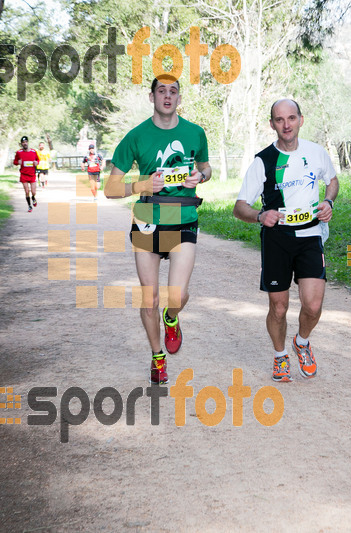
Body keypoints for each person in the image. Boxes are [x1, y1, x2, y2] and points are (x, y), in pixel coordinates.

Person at [105, 77, 211, 384]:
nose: (167, 96)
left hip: (183, 217)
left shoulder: (195, 132)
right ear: (152, 96)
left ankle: (172, 318)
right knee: (149, 298)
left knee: (177, 294)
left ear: (180, 97)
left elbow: (207, 168)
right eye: (161, 91)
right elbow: (110, 188)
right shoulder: (136, 136)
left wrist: (200, 176)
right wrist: (141, 184)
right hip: (147, 219)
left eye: (173, 91)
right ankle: (157, 357)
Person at [233, 99, 339, 382]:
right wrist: (259, 215)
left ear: (301, 120)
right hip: (277, 239)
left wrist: (328, 201)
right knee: (278, 308)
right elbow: (239, 206)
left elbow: (332, 180)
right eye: (280, 120)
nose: (286, 125)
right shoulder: (263, 161)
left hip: (310, 235)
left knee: (313, 306)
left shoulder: (316, 153)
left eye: (291, 118)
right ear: (272, 124)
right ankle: (280, 357)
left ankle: (301, 343)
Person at [13, 135, 40, 212]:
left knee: (33, 192)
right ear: (21, 144)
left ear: (28, 142)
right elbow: (14, 162)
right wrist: (18, 162)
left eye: (26, 142)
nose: (24, 143)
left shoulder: (33, 151)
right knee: (27, 191)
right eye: (23, 142)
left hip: (32, 174)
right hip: (24, 174)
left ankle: (33, 198)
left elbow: (38, 160)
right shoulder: (19, 152)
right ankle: (29, 206)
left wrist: (36, 163)